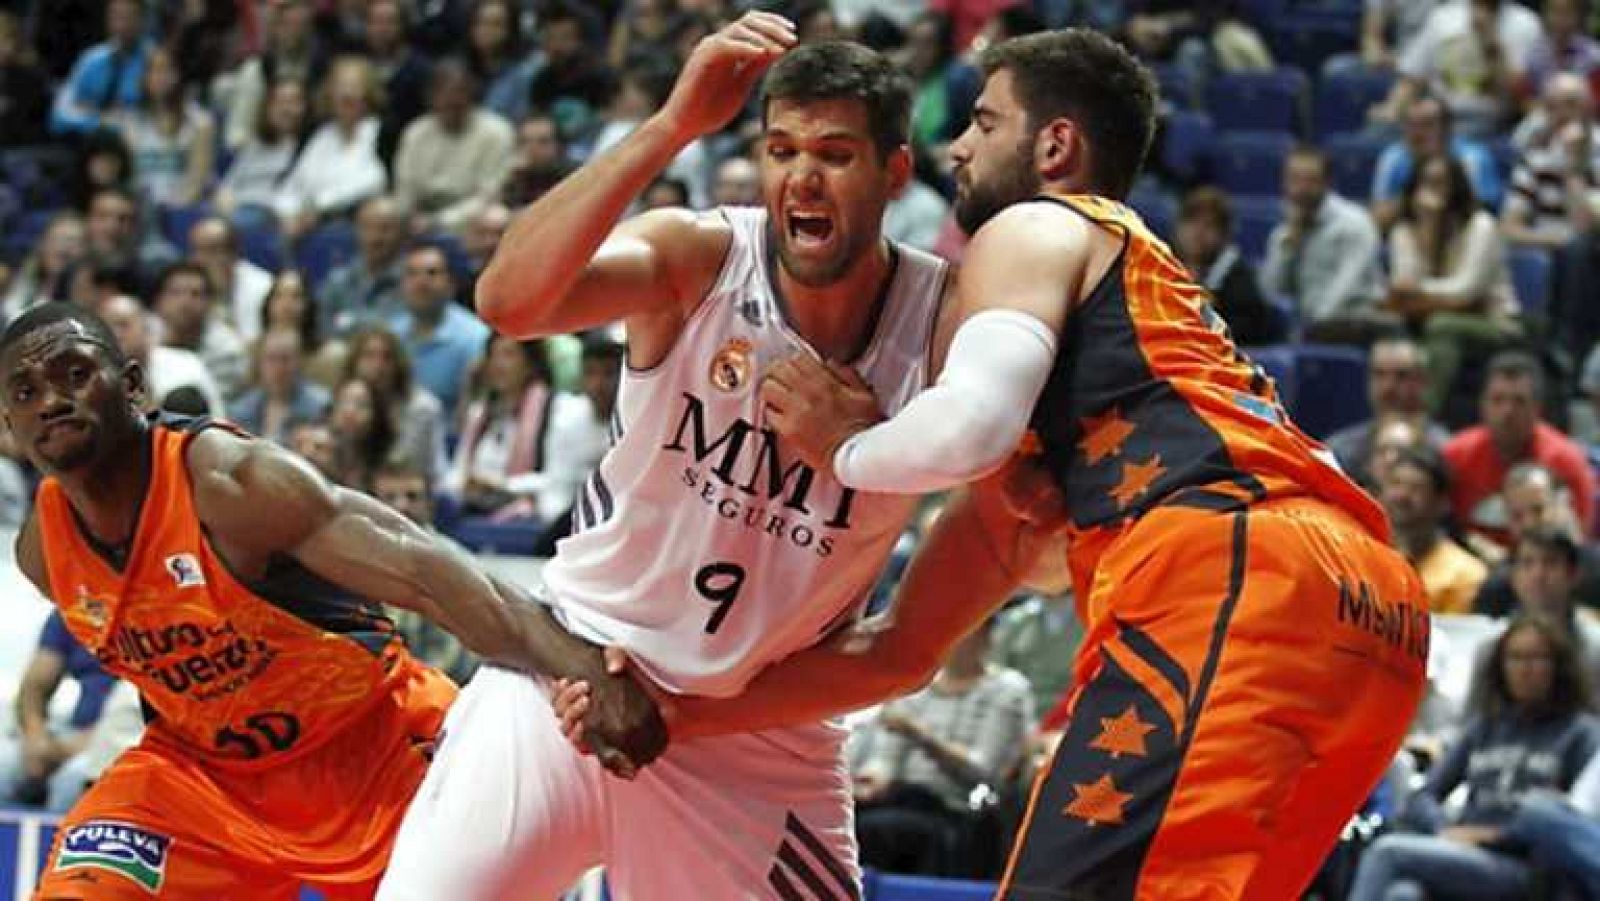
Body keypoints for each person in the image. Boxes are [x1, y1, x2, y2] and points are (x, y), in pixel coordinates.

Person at [562, 28, 1431, 899]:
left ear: (1054, 146)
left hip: (1239, 577)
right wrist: (682, 713)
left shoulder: (1042, 222)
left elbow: (971, 422)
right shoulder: (1117, 336)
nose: (959, 146)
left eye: (983, 121)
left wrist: (847, 447)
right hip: (1371, 614)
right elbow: (900, 651)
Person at [378, 24, 954, 900]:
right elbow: (508, 300)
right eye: (780, 149)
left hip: (752, 736)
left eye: (835, 154)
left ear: (896, 173)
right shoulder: (700, 257)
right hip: (568, 674)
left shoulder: (941, 327)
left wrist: (859, 448)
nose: (801, 176)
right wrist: (672, 124)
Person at [0, 301, 661, 897]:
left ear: (135, 386)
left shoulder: (234, 484)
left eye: (74, 374)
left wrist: (582, 669)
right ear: (9, 425)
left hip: (371, 750)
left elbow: (430, 570)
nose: (51, 401)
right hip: (205, 781)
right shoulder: (42, 553)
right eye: (26, 393)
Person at [1348, 615, 1600, 901]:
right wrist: (1445, 828)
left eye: (1537, 659)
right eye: (1515, 658)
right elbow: (1424, 795)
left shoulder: (1581, 733)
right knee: (1403, 894)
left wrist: (1495, 836)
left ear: (1558, 667)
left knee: (1387, 853)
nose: (1525, 670)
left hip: (1524, 866)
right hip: (1462, 851)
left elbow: (1574, 824)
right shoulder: (1485, 726)